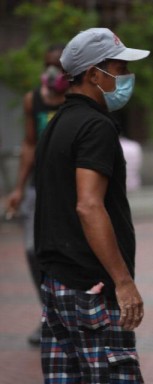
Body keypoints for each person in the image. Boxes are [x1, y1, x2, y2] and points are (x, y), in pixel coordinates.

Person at [34, 28, 149, 382]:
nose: (125, 77)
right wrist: (123, 281)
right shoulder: (95, 127)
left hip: (57, 283)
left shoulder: (59, 124)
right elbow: (88, 205)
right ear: (94, 74)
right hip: (91, 286)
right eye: (119, 67)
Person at [4, 44, 68, 346]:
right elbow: (30, 144)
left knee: (69, 253)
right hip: (38, 189)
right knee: (33, 250)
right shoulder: (34, 100)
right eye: (48, 64)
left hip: (70, 191)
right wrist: (18, 188)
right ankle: (48, 313)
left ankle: (65, 315)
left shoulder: (76, 99)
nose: (51, 70)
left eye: (58, 64)